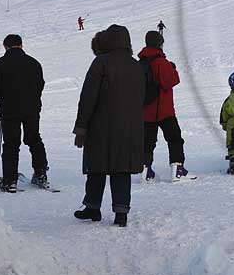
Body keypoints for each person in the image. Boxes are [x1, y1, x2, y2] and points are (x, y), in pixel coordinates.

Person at [72, 25, 144, 227]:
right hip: (130, 128)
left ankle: (92, 207)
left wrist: (81, 128)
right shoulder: (136, 65)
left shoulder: (100, 63)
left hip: (100, 126)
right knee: (122, 168)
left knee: (96, 167)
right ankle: (121, 213)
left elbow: (88, 97)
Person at [0, 34, 47, 192]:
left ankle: (9, 179)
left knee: (11, 144)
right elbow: (40, 85)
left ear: (5, 46)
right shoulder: (34, 63)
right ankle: (41, 173)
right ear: (21, 45)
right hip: (32, 108)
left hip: (9, 110)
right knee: (34, 138)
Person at [138, 31, 188, 182]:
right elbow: (170, 81)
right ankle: (177, 170)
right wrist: (172, 68)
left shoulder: (140, 62)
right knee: (174, 139)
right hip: (164, 111)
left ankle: (145, 172)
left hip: (146, 111)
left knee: (147, 142)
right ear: (159, 43)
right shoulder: (161, 61)